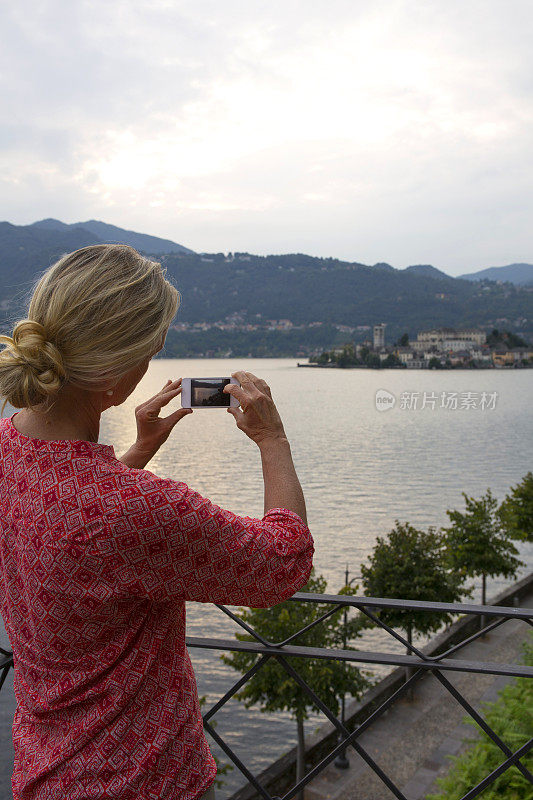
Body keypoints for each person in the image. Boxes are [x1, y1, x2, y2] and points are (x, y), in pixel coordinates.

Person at [0, 244, 314, 800]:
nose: (152, 363)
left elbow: (69, 528)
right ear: (116, 377)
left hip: (44, 772)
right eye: (152, 351)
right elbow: (280, 565)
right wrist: (273, 439)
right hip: (144, 781)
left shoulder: (10, 456)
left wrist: (138, 451)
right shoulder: (137, 509)